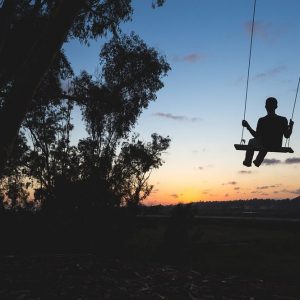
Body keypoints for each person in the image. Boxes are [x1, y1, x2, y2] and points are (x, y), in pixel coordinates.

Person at [242, 97, 294, 167]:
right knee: (266, 142)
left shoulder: (262, 120)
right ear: (276, 106)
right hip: (277, 145)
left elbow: (256, 136)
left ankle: (248, 162)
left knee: (253, 141)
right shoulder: (283, 120)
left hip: (265, 144)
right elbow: (287, 136)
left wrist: (248, 126)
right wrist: (291, 126)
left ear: (265, 107)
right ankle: (257, 161)